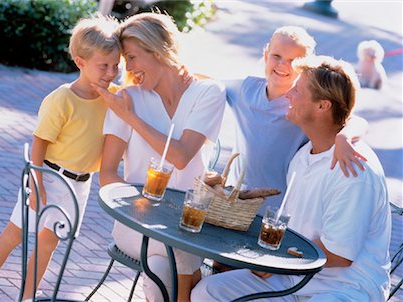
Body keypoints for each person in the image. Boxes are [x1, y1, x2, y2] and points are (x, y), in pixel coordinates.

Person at [191, 55, 392, 302]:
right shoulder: (302, 156)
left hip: (343, 289)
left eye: (297, 91)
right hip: (292, 276)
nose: (288, 95)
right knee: (208, 292)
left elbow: (340, 254)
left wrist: (279, 258)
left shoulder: (353, 169)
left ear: (322, 106)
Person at [0, 14, 121, 302]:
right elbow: (39, 142)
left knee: (48, 243)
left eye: (115, 65)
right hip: (48, 176)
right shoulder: (63, 98)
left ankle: (26, 297)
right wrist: (37, 183)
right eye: (103, 66)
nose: (111, 72)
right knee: (16, 233)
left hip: (80, 184)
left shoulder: (113, 97)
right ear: (80, 62)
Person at [92, 12, 225, 302]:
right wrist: (135, 208)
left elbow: (181, 156)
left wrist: (130, 118)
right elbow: (108, 174)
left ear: (158, 49)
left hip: (187, 222)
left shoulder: (208, 92)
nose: (129, 68)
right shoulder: (128, 98)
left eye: (133, 57)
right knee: (175, 250)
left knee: (160, 270)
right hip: (136, 223)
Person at [222, 26, 368, 209]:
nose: (283, 65)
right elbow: (212, 85)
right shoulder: (246, 90)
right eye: (277, 56)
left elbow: (356, 120)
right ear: (266, 56)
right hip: (237, 201)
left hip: (280, 208)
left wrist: (344, 137)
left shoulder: (304, 106)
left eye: (293, 61)